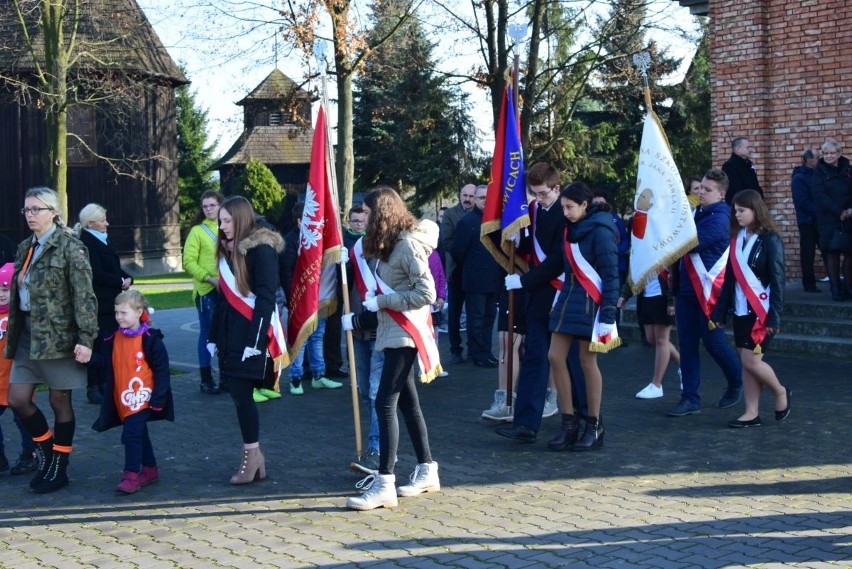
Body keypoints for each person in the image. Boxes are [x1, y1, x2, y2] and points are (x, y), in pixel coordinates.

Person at [346, 187, 440, 511]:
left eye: (368, 211)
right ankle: (427, 468)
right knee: (408, 405)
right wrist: (360, 319)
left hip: (403, 335)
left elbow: (426, 292)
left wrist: (382, 301)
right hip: (391, 332)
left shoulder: (407, 245)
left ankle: (385, 482)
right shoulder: (390, 246)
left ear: (382, 212)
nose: (364, 217)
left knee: (385, 403)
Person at [6, 187, 98, 494]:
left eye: (36, 209)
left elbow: (84, 297)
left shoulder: (71, 247)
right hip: (28, 336)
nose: (30, 215)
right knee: (18, 399)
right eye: (27, 210)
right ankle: (46, 452)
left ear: (53, 212)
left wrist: (86, 338)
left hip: (60, 336)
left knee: (60, 401)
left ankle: (59, 467)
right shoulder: (24, 248)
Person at [495, 163, 586, 445]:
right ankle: (526, 423)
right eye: (534, 193)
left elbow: (558, 259)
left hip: (560, 293)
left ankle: (584, 420)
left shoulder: (566, 214)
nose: (539, 198)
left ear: (556, 188)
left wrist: (524, 282)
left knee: (570, 361)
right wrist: (515, 238)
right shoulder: (535, 210)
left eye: (544, 193)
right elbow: (529, 248)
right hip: (538, 295)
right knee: (534, 356)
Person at [532, 182, 619, 451]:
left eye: (570, 207)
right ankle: (568, 423)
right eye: (563, 207)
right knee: (554, 357)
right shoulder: (570, 229)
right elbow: (560, 262)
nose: (565, 212)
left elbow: (611, 274)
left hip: (590, 304)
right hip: (568, 297)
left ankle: (594, 424)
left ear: (585, 205)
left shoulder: (602, 231)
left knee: (586, 361)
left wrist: (608, 313)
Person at [207, 196, 284, 485]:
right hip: (230, 332)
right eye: (220, 221)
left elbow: (266, 296)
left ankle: (252, 457)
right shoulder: (228, 251)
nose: (222, 226)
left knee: (242, 396)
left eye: (227, 221)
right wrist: (213, 335)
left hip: (250, 334)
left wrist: (256, 340)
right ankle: (255, 457)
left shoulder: (261, 249)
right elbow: (224, 299)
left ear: (240, 219)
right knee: (238, 396)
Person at [668, 168, 743, 417]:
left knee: (714, 344)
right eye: (700, 188)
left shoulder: (720, 217)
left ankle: (736, 382)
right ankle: (690, 398)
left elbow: (692, 243)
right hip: (687, 290)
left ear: (721, 194)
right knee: (687, 345)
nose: (701, 193)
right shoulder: (697, 211)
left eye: (707, 190)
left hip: (710, 292)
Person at [712, 190, 790, 428]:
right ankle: (751, 412)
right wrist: (720, 311)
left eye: (742, 211)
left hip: (761, 311)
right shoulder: (737, 238)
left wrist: (775, 315)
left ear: (756, 210)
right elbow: (729, 280)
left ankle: (780, 392)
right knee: (747, 361)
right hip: (740, 310)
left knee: (752, 361)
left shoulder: (771, 239)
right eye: (736, 211)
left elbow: (778, 279)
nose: (738, 215)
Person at [90, 290, 173, 493]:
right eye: (116, 312)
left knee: (131, 434)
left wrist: (159, 397)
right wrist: (88, 358)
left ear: (138, 312)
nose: (119, 317)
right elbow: (104, 363)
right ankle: (150, 469)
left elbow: (162, 371)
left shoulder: (151, 339)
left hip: (143, 397)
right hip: (123, 398)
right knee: (139, 432)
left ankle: (131, 475)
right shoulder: (112, 339)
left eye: (123, 313)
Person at [280, 203, 342, 395]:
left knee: (317, 337)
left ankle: (318, 375)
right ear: (300, 221)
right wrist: (294, 298)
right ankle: (295, 379)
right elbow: (286, 273)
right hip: (300, 300)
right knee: (301, 339)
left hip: (319, 298)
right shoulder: (290, 241)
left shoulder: (318, 240)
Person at [74, 203, 133, 405]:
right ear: (91, 223)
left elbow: (114, 266)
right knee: (97, 345)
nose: (106, 223)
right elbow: (94, 273)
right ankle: (94, 387)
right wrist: (118, 281)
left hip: (111, 302)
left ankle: (107, 383)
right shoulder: (87, 243)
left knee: (108, 344)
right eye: (102, 220)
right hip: (98, 304)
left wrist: (127, 277)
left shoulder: (102, 239)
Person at [450, 185, 500, 368]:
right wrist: (473, 265)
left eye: (488, 197)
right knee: (476, 319)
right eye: (481, 198)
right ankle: (477, 354)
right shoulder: (467, 221)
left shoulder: (497, 221)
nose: (485, 201)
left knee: (489, 318)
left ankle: (486, 352)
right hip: (474, 280)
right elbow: (457, 251)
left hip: (493, 279)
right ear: (476, 200)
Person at [183, 190, 224, 395]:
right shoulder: (197, 232)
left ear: (220, 205)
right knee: (208, 334)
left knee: (226, 333)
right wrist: (208, 278)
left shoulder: (227, 227)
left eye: (212, 205)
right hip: (206, 289)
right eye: (205, 206)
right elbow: (188, 262)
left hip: (228, 288)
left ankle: (226, 376)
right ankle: (206, 379)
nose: (208, 209)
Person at [0, 262, 38, 476]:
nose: (1, 295)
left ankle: (29, 454)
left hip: (18, 379)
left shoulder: (21, 318)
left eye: (5, 290)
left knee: (23, 418)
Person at [618, 269, 680, 399]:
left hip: (663, 298)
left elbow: (674, 275)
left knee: (661, 340)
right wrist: (625, 295)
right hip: (645, 297)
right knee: (651, 340)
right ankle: (685, 367)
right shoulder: (638, 249)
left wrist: (671, 301)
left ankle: (656, 385)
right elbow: (633, 272)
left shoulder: (664, 248)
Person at [811, 139, 852, 301]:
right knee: (832, 252)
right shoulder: (819, 172)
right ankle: (835, 288)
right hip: (829, 218)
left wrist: (849, 209)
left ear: (839, 153)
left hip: (849, 218)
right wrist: (839, 211)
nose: (828, 156)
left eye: (832, 153)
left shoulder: (848, 170)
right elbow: (820, 196)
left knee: (850, 253)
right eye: (826, 153)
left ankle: (849, 286)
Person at [440, 183, 476, 364]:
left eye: (471, 195)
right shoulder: (450, 214)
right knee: (454, 312)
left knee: (473, 311)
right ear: (460, 195)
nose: (467, 199)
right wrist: (464, 253)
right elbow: (446, 241)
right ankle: (455, 348)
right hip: (456, 270)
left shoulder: (481, 214)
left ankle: (473, 348)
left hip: (475, 271)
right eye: (465, 195)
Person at [791, 150, 822, 293]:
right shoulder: (799, 177)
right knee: (808, 253)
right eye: (817, 157)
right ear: (808, 160)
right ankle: (809, 284)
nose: (819, 160)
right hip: (807, 221)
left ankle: (835, 281)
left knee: (828, 250)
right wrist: (820, 212)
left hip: (821, 220)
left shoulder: (819, 174)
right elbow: (802, 201)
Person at [722, 137, 764, 205]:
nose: (751, 150)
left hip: (754, 204)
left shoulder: (749, 164)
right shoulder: (729, 166)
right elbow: (734, 190)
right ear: (738, 149)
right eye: (748, 147)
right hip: (740, 206)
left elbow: (755, 184)